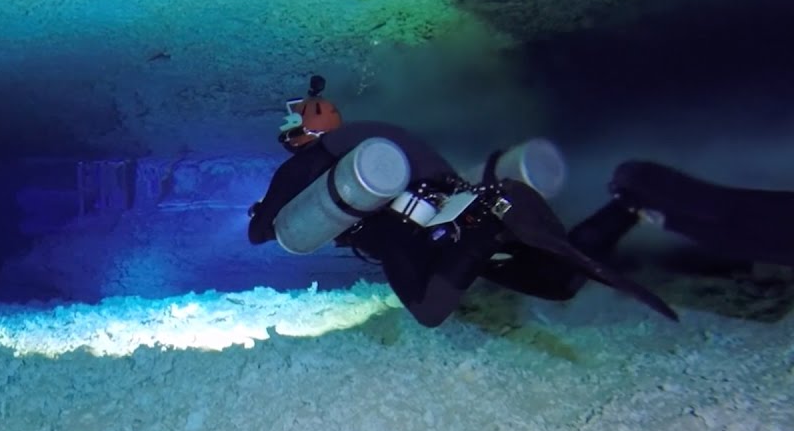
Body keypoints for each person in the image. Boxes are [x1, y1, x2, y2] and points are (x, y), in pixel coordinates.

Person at [248, 75, 794, 327]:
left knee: (430, 310)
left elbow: (264, 230)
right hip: (478, 201)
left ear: (297, 136)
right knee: (557, 284)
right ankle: (629, 203)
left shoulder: (310, 162)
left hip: (426, 230)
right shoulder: (378, 134)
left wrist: (262, 213)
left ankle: (487, 234)